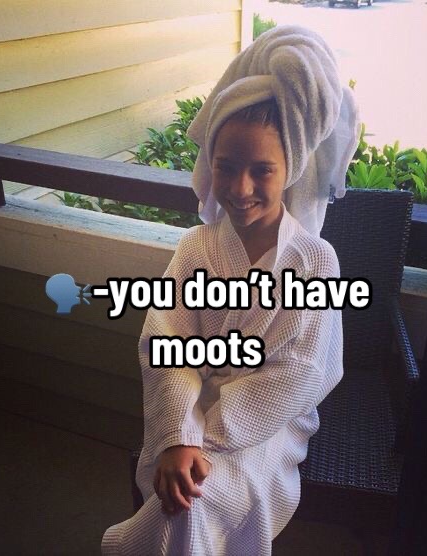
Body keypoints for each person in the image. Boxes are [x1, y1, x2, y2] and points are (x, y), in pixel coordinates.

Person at [101, 25, 360, 555]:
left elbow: (303, 374)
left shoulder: (315, 261)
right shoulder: (196, 248)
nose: (241, 189)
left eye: (262, 170)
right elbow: (166, 342)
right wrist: (179, 434)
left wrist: (206, 439)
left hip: (265, 424)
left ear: (290, 169)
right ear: (211, 165)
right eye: (226, 167)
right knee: (183, 497)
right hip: (188, 407)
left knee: (191, 501)